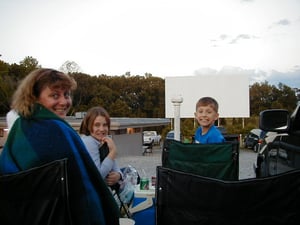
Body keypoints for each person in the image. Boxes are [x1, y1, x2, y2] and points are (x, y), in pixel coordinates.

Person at [0, 68, 120, 225]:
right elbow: (84, 190)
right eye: (54, 95)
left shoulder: (19, 128)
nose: (64, 102)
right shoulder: (56, 130)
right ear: (34, 97)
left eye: (67, 94)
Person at [79, 106, 123, 187]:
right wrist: (113, 152)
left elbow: (115, 167)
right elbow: (98, 175)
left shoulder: (104, 141)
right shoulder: (89, 141)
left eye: (105, 125)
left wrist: (118, 175)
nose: (102, 129)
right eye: (97, 125)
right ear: (89, 126)